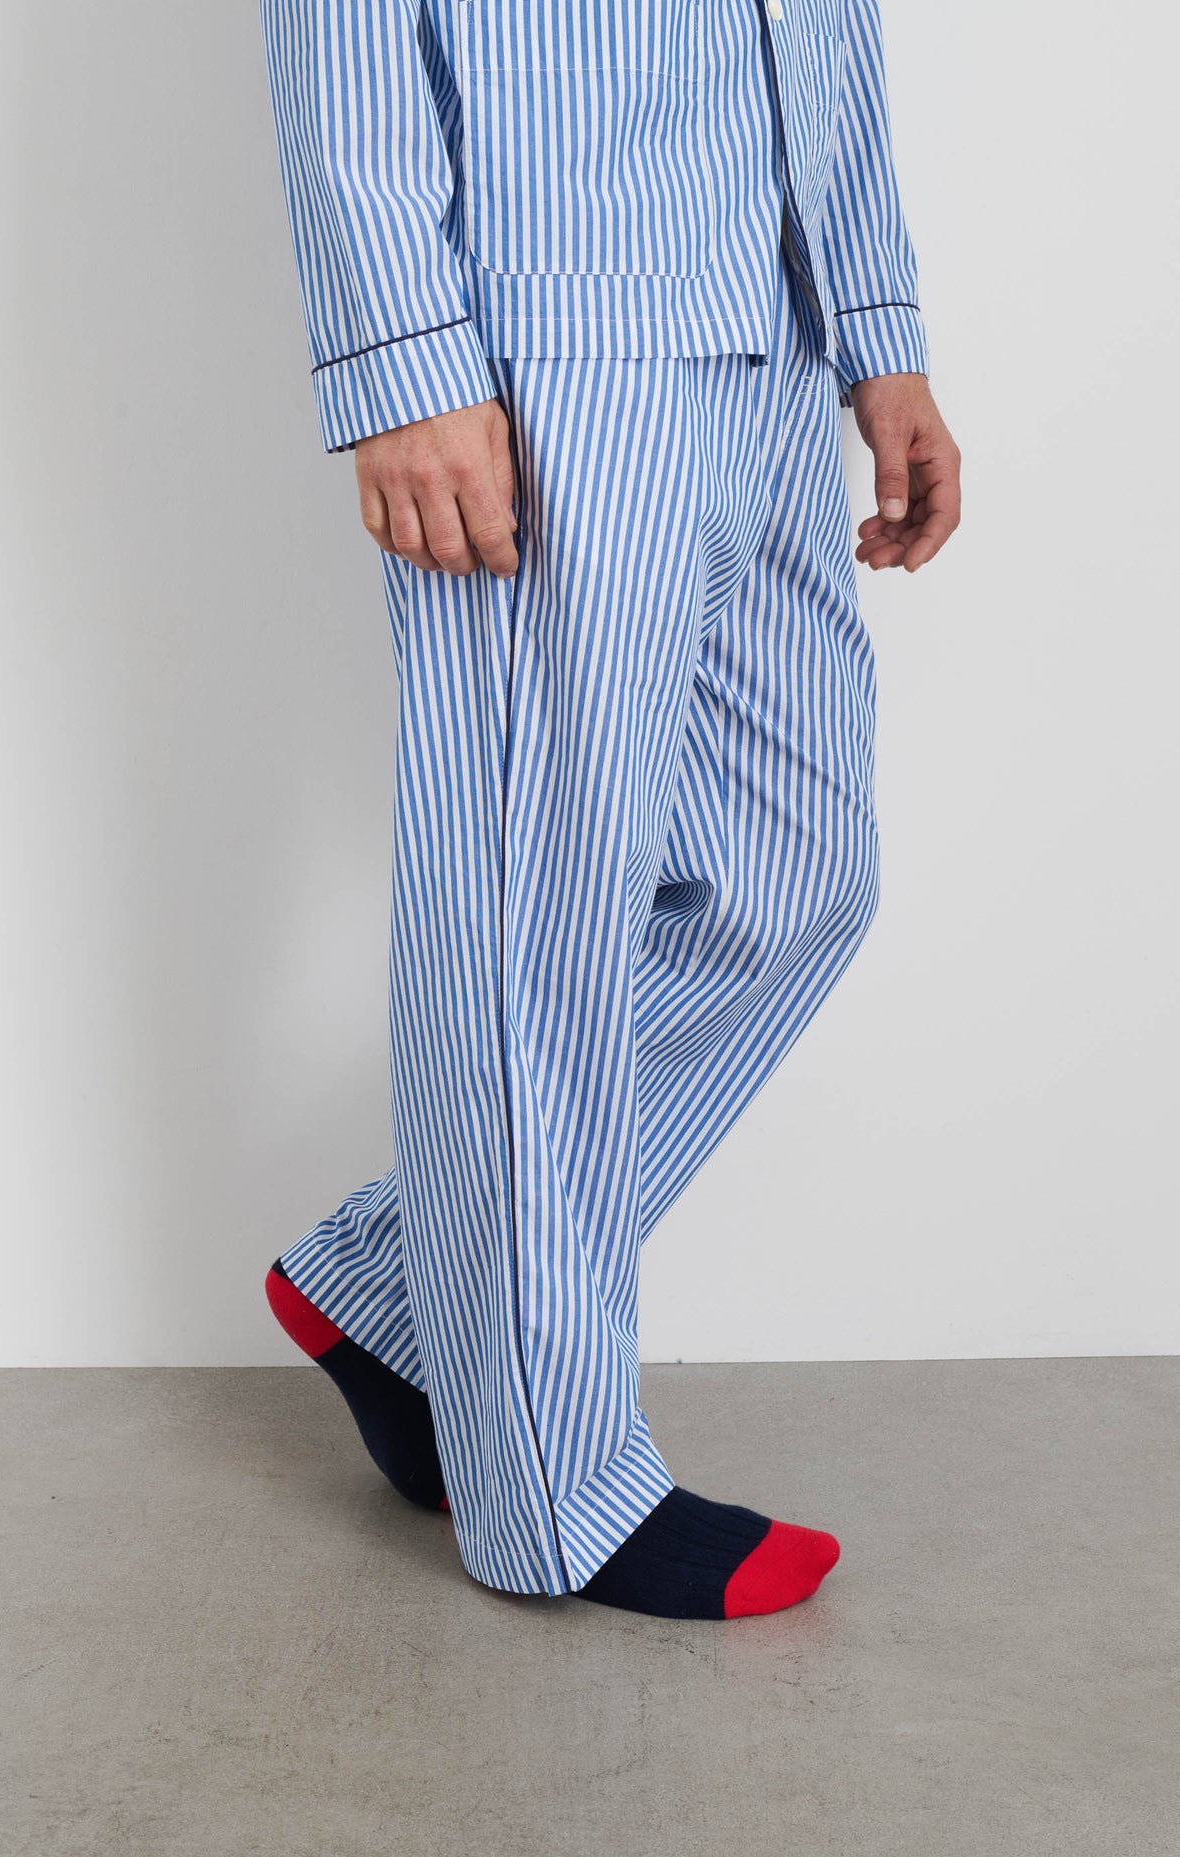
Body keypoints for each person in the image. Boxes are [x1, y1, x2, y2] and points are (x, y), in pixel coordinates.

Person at [256, 0, 961, 1621]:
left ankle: (403, 1290)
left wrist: (878, 328)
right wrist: (403, 359)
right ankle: (551, 1490)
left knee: (799, 873)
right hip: (543, 330)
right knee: (538, 916)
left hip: (767, 322)